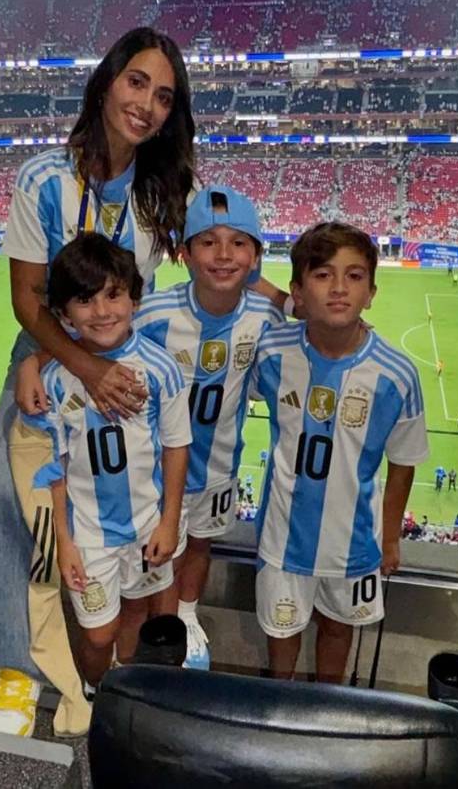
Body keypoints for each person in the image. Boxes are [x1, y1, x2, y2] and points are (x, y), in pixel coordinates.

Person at [0, 28, 261, 739]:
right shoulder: (44, 178)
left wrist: (279, 296)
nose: (148, 105)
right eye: (138, 83)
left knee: (126, 504)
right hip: (48, 352)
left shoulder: (162, 192)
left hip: (125, 357)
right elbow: (26, 299)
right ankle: (17, 670)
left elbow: (214, 262)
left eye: (165, 97)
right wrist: (70, 363)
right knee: (3, 496)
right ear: (107, 83)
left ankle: (117, 658)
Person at [250, 222, 428, 683]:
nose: (338, 288)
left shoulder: (397, 374)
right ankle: (280, 707)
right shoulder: (271, 352)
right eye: (323, 275)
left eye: (353, 277)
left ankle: (326, 712)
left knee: (336, 630)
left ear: (371, 291)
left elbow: (403, 464)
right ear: (299, 290)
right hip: (283, 536)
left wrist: (389, 538)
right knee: (281, 634)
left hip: (355, 542)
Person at [23, 235, 191, 695]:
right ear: (63, 314)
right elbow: (56, 465)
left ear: (134, 300)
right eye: (84, 300)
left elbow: (177, 446)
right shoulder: (57, 379)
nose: (101, 311)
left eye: (113, 295)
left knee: (136, 611)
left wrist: (170, 522)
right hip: (89, 535)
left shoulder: (161, 370)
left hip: (147, 525)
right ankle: (96, 687)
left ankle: (124, 690)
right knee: (98, 634)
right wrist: (65, 541)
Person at [131, 186, 283, 669]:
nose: (223, 254)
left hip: (220, 464)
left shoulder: (264, 318)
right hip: (157, 471)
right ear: (184, 252)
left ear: (256, 255)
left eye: (238, 242)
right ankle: (162, 630)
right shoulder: (154, 315)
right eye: (208, 242)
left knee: (200, 543)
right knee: (159, 552)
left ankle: (188, 616)